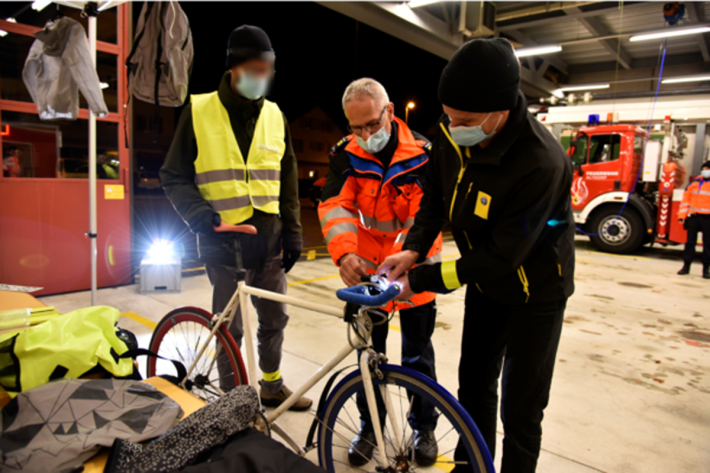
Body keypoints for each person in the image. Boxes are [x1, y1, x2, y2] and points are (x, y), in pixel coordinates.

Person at [378, 39, 575, 473]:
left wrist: (424, 279)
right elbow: (435, 194)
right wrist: (413, 248)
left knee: (521, 410)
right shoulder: (454, 129)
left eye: (462, 120)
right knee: (475, 390)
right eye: (447, 116)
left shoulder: (541, 163)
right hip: (487, 289)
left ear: (500, 111)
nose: (450, 125)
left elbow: (503, 255)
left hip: (536, 294)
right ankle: (472, 468)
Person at [160, 25, 311, 410]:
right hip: (222, 241)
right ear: (234, 68)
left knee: (275, 318)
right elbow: (173, 175)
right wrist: (202, 218)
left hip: (270, 242)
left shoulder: (276, 116)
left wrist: (293, 232)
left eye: (269, 69)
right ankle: (231, 404)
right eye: (257, 68)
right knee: (230, 328)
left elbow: (288, 177)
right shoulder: (199, 110)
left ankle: (272, 386)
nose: (264, 77)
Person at [318, 78, 444, 467]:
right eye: (355, 128)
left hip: (414, 268)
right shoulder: (346, 154)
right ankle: (370, 427)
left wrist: (406, 257)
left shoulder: (424, 153)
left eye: (372, 124)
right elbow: (335, 206)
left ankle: (424, 427)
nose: (365, 135)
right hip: (369, 273)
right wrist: (344, 256)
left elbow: (426, 216)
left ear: (390, 112)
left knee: (417, 358)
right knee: (368, 357)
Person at [677, 161, 710, 279]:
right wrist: (682, 216)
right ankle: (686, 266)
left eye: (708, 169)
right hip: (693, 217)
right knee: (690, 243)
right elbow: (685, 201)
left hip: (707, 218)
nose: (705, 171)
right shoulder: (693, 184)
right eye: (704, 169)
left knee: (708, 244)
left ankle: (706, 269)